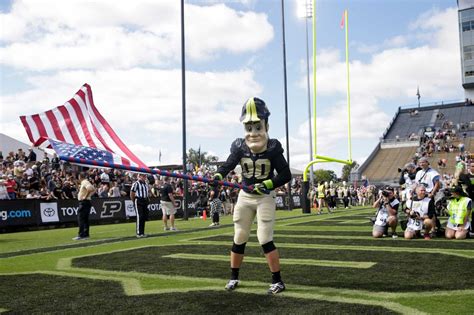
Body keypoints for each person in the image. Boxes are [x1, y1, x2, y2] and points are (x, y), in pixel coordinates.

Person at [214, 97, 292, 294]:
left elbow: (286, 174)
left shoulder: (273, 148)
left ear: (266, 125)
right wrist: (218, 174)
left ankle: (278, 280)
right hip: (246, 196)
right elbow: (229, 164)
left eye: (258, 127)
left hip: (265, 196)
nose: (254, 133)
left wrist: (267, 184)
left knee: (264, 237)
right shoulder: (240, 146)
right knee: (239, 236)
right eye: (249, 128)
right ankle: (234, 277)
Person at [73, 172, 95, 240]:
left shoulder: (85, 182)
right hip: (86, 202)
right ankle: (85, 235)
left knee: (81, 219)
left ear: (80, 177)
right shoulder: (84, 182)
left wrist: (85, 197)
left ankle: (81, 235)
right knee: (85, 219)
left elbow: (90, 189)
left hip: (84, 202)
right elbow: (93, 189)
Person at [130, 173, 150, 238]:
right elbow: (132, 193)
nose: (144, 177)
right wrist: (134, 200)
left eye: (145, 176)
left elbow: (147, 192)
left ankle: (142, 232)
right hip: (138, 200)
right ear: (139, 176)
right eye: (143, 176)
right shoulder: (136, 184)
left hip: (144, 200)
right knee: (140, 216)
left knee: (144, 217)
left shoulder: (146, 184)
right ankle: (139, 233)